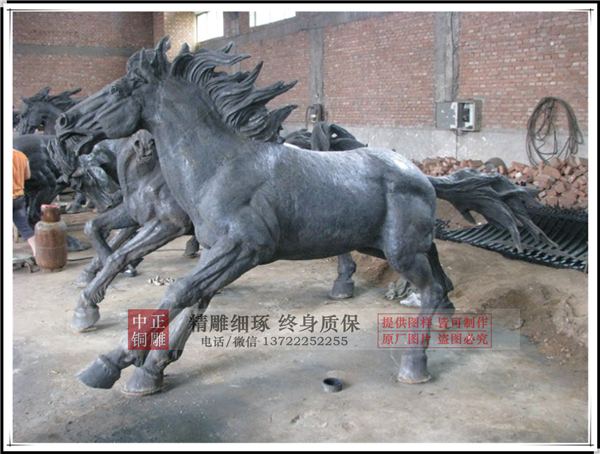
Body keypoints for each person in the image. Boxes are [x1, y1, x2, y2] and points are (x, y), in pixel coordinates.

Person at [13, 149, 36, 256]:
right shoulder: (21, 155)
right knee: (25, 228)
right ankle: (38, 255)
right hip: (18, 197)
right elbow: (27, 176)